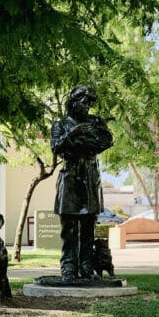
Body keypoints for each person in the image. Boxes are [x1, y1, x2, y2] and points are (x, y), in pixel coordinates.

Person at [51, 86, 113, 282]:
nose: (87, 106)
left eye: (90, 103)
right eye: (84, 102)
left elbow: (105, 142)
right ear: (74, 101)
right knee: (68, 227)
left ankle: (86, 266)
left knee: (88, 225)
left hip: (90, 176)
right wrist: (74, 134)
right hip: (70, 177)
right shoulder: (61, 125)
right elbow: (57, 147)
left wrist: (80, 143)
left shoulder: (95, 122)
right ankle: (68, 266)